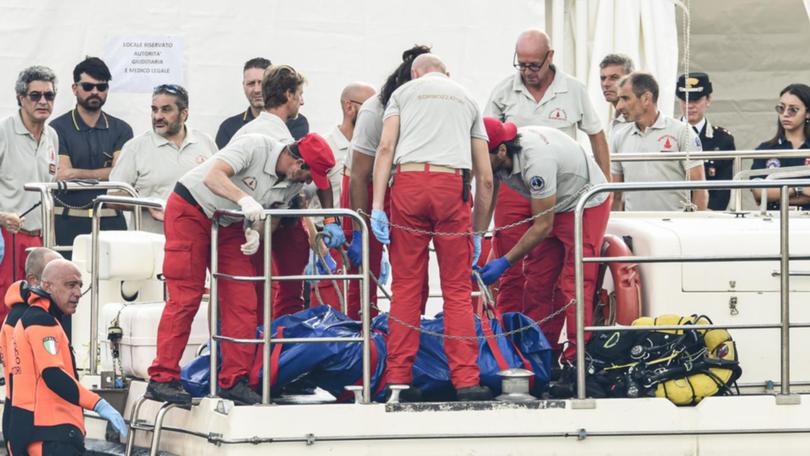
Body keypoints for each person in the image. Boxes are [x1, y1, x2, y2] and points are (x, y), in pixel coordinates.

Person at [146, 132, 336, 406]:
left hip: (229, 222)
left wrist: (254, 233)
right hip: (190, 209)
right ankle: (162, 377)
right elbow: (214, 177)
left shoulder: (292, 186)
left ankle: (234, 380)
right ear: (297, 161)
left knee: (244, 299)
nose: (308, 182)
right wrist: (243, 199)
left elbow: (263, 216)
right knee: (186, 296)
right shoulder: (255, 145)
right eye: (308, 174)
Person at [371, 54, 494, 402]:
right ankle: (467, 381)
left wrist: (378, 207)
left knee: (407, 287)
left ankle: (397, 380)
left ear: (415, 73)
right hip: (451, 185)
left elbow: (384, 148)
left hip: (407, 183)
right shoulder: (466, 97)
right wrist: (479, 232)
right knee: (456, 289)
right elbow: (485, 178)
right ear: (446, 73)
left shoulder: (403, 94)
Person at [485, 30, 610, 313]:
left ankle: (566, 346)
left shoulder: (574, 89)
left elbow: (596, 135)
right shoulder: (503, 90)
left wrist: (607, 185)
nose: (527, 72)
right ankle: (511, 341)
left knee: (564, 274)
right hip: (515, 187)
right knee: (513, 270)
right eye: (521, 64)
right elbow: (487, 142)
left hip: (561, 189)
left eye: (534, 65)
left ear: (549, 57)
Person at [478, 118, 610, 383]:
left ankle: (577, 361)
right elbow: (487, 193)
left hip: (585, 202)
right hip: (556, 201)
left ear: (502, 151)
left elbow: (542, 226)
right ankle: (540, 355)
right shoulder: (496, 156)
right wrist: (475, 240)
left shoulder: (536, 163)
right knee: (538, 281)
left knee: (574, 284)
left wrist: (504, 262)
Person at [345, 45, 432, 320]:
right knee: (364, 266)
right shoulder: (374, 111)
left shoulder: (429, 104)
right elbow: (359, 175)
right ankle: (361, 328)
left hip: (401, 184)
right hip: (365, 182)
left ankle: (410, 326)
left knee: (413, 264)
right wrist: (360, 229)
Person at [12, 259, 127, 455]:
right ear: (47, 286)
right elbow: (53, 374)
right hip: (52, 436)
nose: (78, 293)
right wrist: (98, 404)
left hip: (39, 433)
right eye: (70, 285)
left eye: (80, 285)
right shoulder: (41, 321)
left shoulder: (32, 318)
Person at [49, 57, 132, 260]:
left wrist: (77, 173)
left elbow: (121, 177)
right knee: (68, 285)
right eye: (88, 86)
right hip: (68, 223)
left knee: (116, 287)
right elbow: (62, 176)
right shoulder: (57, 128)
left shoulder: (121, 129)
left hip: (112, 223)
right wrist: (106, 174)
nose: (95, 92)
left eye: (101, 87)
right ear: (74, 88)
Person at [110, 84, 217, 233]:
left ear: (184, 114)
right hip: (150, 245)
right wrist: (148, 204)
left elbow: (218, 187)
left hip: (197, 241)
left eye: (166, 109)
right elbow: (113, 197)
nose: (158, 116)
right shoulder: (135, 147)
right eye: (154, 109)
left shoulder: (205, 142)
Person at [0, 66, 60, 325]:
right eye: (35, 95)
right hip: (5, 235)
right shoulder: (3, 131)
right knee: (5, 301)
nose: (43, 101)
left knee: (34, 303)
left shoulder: (52, 135)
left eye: (49, 95)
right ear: (20, 98)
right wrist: (1, 216)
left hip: (38, 237)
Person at [611, 72, 708, 211]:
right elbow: (616, 195)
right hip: (634, 227)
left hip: (674, 227)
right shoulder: (619, 136)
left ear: (646, 99)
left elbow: (700, 189)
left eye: (625, 98)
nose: (619, 106)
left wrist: (695, 227)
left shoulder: (682, 132)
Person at [0, 247, 61, 455]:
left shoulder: (40, 313)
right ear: (34, 280)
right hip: (26, 422)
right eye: (52, 276)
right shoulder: (25, 317)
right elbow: (19, 381)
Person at [215, 57, 309, 147]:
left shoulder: (297, 122)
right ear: (243, 85)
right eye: (251, 83)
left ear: (272, 84)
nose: (257, 90)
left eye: (261, 83)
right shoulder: (228, 127)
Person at [676, 72, 736, 210]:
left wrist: (704, 215)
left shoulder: (722, 140)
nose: (690, 106)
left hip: (708, 216)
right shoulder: (669, 136)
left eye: (695, 100)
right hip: (673, 213)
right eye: (685, 100)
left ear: (708, 100)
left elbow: (723, 190)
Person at [752, 83, 810, 210]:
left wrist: (778, 194)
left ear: (807, 113)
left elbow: (768, 194)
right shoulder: (765, 149)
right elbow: (759, 193)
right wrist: (800, 189)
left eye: (793, 109)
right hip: (774, 221)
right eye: (781, 108)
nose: (785, 114)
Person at [599, 53, 635, 130]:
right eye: (603, 78)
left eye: (614, 78)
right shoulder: (615, 121)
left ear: (631, 79)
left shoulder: (640, 121)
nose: (605, 84)